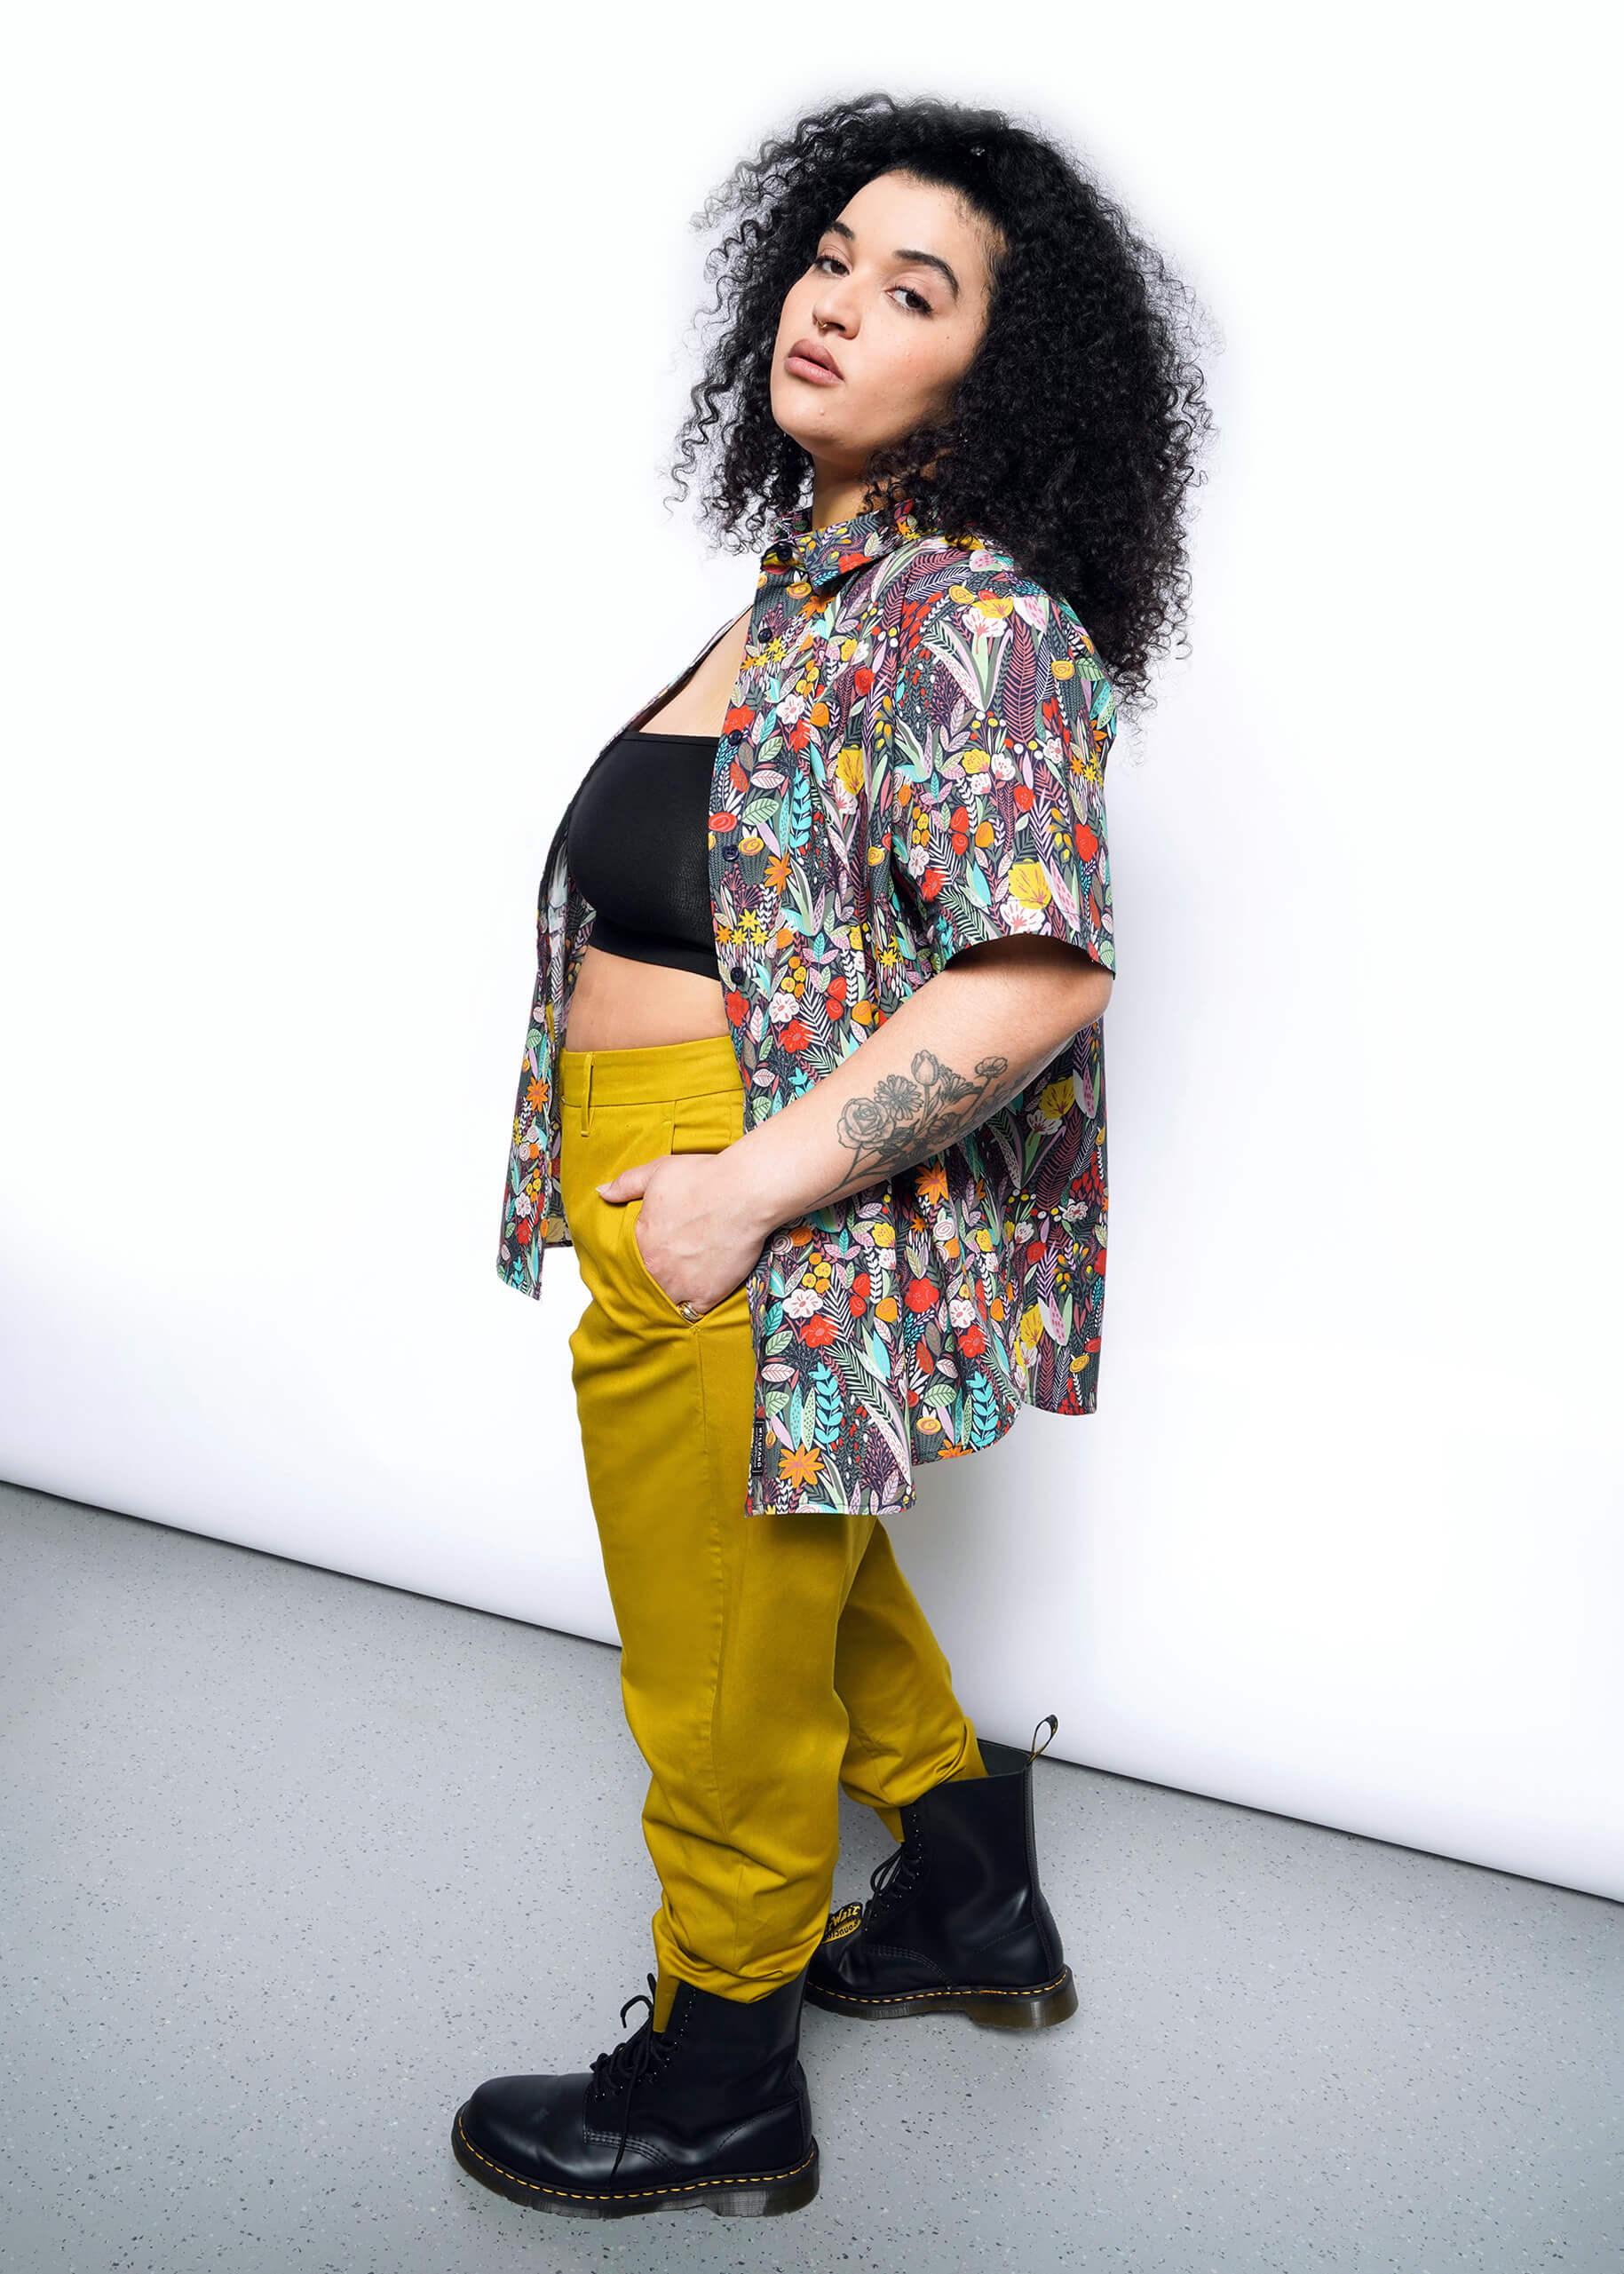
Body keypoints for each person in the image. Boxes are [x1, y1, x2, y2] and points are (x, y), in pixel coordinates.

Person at [454, 92, 1212, 2222]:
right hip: (673, 1161)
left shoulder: (963, 617)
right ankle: (972, 1897)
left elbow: (1037, 973)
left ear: (998, 375)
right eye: (832, 257)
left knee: (712, 1664)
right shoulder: (809, 586)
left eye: (916, 288)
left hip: (740, 1188)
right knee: (802, 1574)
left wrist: (737, 1187)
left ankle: (717, 2075)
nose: (840, 304)